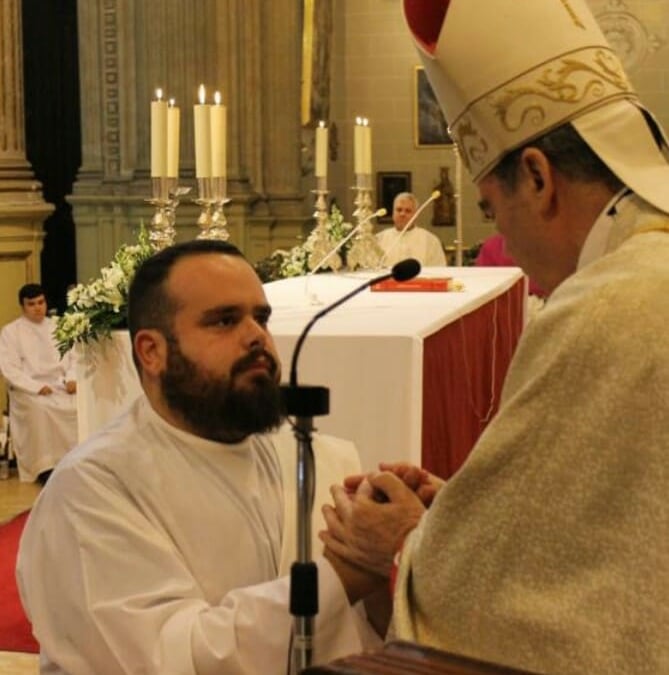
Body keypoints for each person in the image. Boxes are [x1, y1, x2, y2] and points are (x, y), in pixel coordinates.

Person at [319, 1, 669, 673]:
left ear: (536, 177)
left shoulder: (605, 306)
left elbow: (514, 612)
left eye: (494, 211)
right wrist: (464, 509)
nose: (503, 242)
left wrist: (401, 543)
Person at [17, 240, 385, 674]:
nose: (257, 337)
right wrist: (343, 575)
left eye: (260, 317)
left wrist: (391, 556)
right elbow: (170, 658)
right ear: (151, 351)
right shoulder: (93, 488)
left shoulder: (311, 455)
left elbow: (364, 632)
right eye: (225, 321)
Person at [0, 283, 77, 483]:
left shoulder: (59, 326)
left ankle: (77, 462)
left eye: (41, 302)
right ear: (23, 306)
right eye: (31, 304)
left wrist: (71, 379)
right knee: (41, 410)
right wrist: (35, 387)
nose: (37, 307)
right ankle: (45, 468)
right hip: (29, 390)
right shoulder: (11, 332)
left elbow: (75, 358)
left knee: (78, 405)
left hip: (60, 385)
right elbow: (9, 369)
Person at [376, 192, 447, 267]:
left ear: (416, 215)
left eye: (408, 211)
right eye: (399, 210)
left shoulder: (430, 241)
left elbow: (439, 270)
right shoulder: (379, 239)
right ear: (393, 213)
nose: (402, 214)